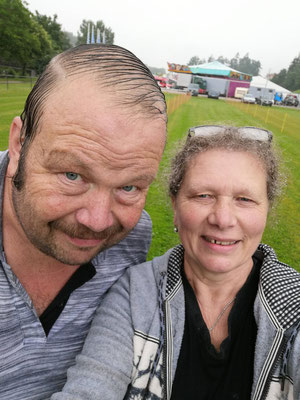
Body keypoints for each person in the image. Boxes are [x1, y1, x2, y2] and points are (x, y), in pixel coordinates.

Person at [52, 126, 300, 400]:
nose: (223, 219)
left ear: (266, 210)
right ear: (175, 206)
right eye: (203, 196)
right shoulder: (136, 294)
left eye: (244, 199)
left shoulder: (294, 303)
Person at [0, 44, 167, 399]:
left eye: (128, 186)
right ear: (19, 144)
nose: (98, 221)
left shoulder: (133, 237)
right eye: (72, 175)